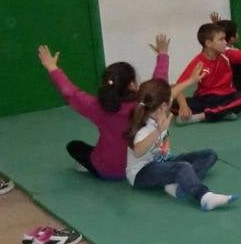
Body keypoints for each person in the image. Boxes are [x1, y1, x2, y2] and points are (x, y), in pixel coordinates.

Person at [38, 34, 169, 178]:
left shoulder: (98, 107)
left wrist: (52, 67)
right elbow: (159, 84)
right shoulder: (145, 103)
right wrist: (162, 55)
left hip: (107, 170)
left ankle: (89, 165)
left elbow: (70, 93)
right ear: (132, 84)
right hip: (139, 167)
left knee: (74, 146)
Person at [125, 78, 235, 210]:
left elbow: (173, 92)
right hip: (141, 173)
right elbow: (138, 151)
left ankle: (177, 186)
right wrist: (159, 129)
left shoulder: (158, 106)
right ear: (164, 106)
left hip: (163, 160)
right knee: (183, 167)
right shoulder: (145, 127)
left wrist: (192, 80)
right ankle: (204, 197)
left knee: (209, 155)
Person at [174, 23, 241, 122]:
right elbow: (178, 86)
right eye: (221, 39)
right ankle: (221, 113)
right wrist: (183, 106)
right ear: (208, 43)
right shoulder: (199, 62)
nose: (225, 42)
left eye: (225, 39)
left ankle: (201, 116)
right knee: (171, 103)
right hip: (205, 99)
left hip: (226, 97)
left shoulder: (227, 55)